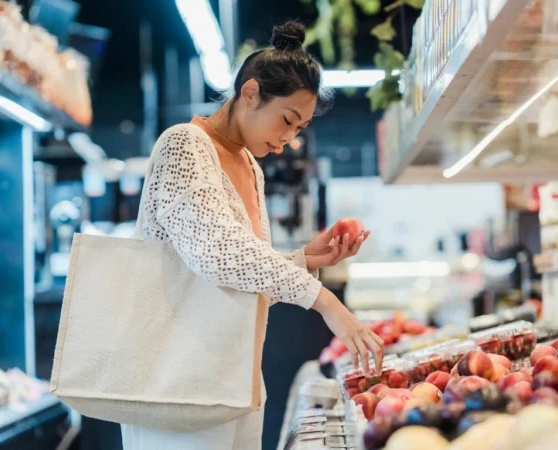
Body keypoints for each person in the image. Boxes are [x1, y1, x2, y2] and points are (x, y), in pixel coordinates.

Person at [121, 20, 383, 450]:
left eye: (299, 129)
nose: (287, 139)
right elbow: (216, 252)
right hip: (175, 386)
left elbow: (238, 279)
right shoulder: (184, 145)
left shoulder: (250, 167)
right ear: (250, 92)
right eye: (287, 120)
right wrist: (326, 302)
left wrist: (305, 260)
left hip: (236, 382)